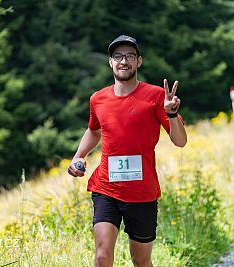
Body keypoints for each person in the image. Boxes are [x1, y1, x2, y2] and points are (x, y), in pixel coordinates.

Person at [67, 34, 187, 267]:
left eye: (130, 56)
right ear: (110, 62)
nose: (124, 61)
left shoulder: (155, 97)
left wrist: (171, 114)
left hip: (142, 192)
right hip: (106, 188)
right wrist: (78, 156)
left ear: (138, 62)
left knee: (141, 261)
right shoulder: (98, 99)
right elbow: (94, 131)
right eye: (118, 56)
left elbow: (180, 141)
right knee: (102, 256)